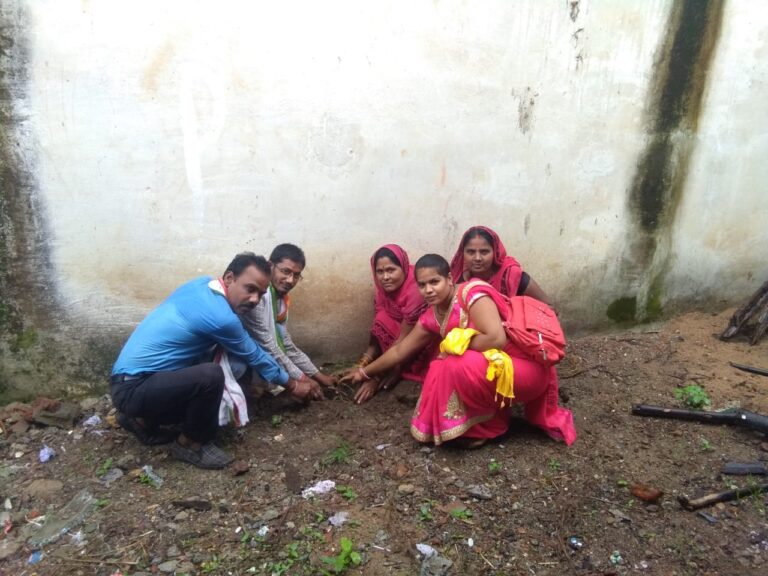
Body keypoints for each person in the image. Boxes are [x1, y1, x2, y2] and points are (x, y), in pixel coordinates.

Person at [110, 253, 323, 469]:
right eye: (249, 289)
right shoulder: (221, 318)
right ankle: (190, 444)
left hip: (136, 379)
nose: (254, 300)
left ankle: (141, 420)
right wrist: (294, 384)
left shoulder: (203, 284)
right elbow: (255, 355)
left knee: (231, 364)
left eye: (260, 294)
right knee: (211, 376)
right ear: (229, 278)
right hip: (133, 387)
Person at [343, 254, 576, 447]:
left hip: (528, 372)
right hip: (499, 370)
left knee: (455, 362)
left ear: (449, 279)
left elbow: (495, 338)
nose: (428, 290)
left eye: (434, 282)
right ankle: (476, 422)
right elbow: (400, 350)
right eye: (422, 285)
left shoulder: (472, 294)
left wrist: (457, 343)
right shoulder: (433, 315)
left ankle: (490, 428)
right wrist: (364, 372)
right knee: (438, 366)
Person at [240, 244, 337, 390]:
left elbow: (286, 344)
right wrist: (301, 379)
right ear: (270, 266)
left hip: (262, 360)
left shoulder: (281, 300)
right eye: (285, 271)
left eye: (296, 275)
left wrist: (317, 375)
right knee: (238, 367)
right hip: (240, 360)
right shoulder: (259, 296)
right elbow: (267, 345)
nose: (290, 280)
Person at [352, 245, 429, 404]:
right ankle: (389, 365)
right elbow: (378, 328)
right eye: (380, 272)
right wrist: (362, 363)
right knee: (382, 318)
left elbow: (404, 339)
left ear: (404, 268)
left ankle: (398, 368)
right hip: (401, 337)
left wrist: (375, 377)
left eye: (391, 270)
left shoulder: (415, 288)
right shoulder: (383, 289)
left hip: (423, 340)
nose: (385, 277)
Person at [450, 226, 553, 306]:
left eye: (484, 252)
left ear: (495, 253)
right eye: (471, 252)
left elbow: (549, 307)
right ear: (462, 253)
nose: (477, 258)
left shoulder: (512, 277)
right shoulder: (457, 280)